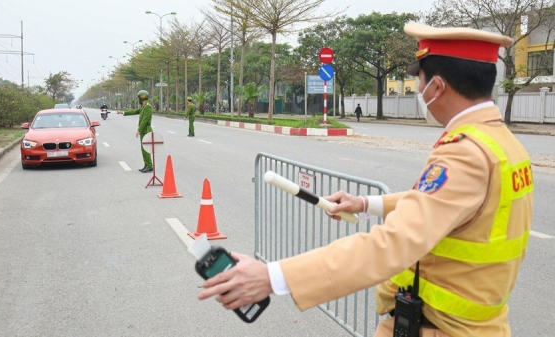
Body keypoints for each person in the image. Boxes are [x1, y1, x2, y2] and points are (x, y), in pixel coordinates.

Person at [197, 22, 533, 337]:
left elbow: (391, 244)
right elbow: (448, 205)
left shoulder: (465, 153)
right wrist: (366, 203)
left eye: (420, 79)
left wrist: (271, 276)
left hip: (438, 328)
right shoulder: (503, 144)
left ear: (437, 87)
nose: (419, 89)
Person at [117, 90, 153, 173]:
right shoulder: (143, 106)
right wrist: (122, 112)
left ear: (141, 97)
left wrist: (139, 130)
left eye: (138, 97)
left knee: (145, 149)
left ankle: (149, 166)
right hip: (144, 130)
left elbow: (144, 120)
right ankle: (146, 164)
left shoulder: (148, 107)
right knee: (143, 149)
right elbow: (134, 111)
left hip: (146, 130)